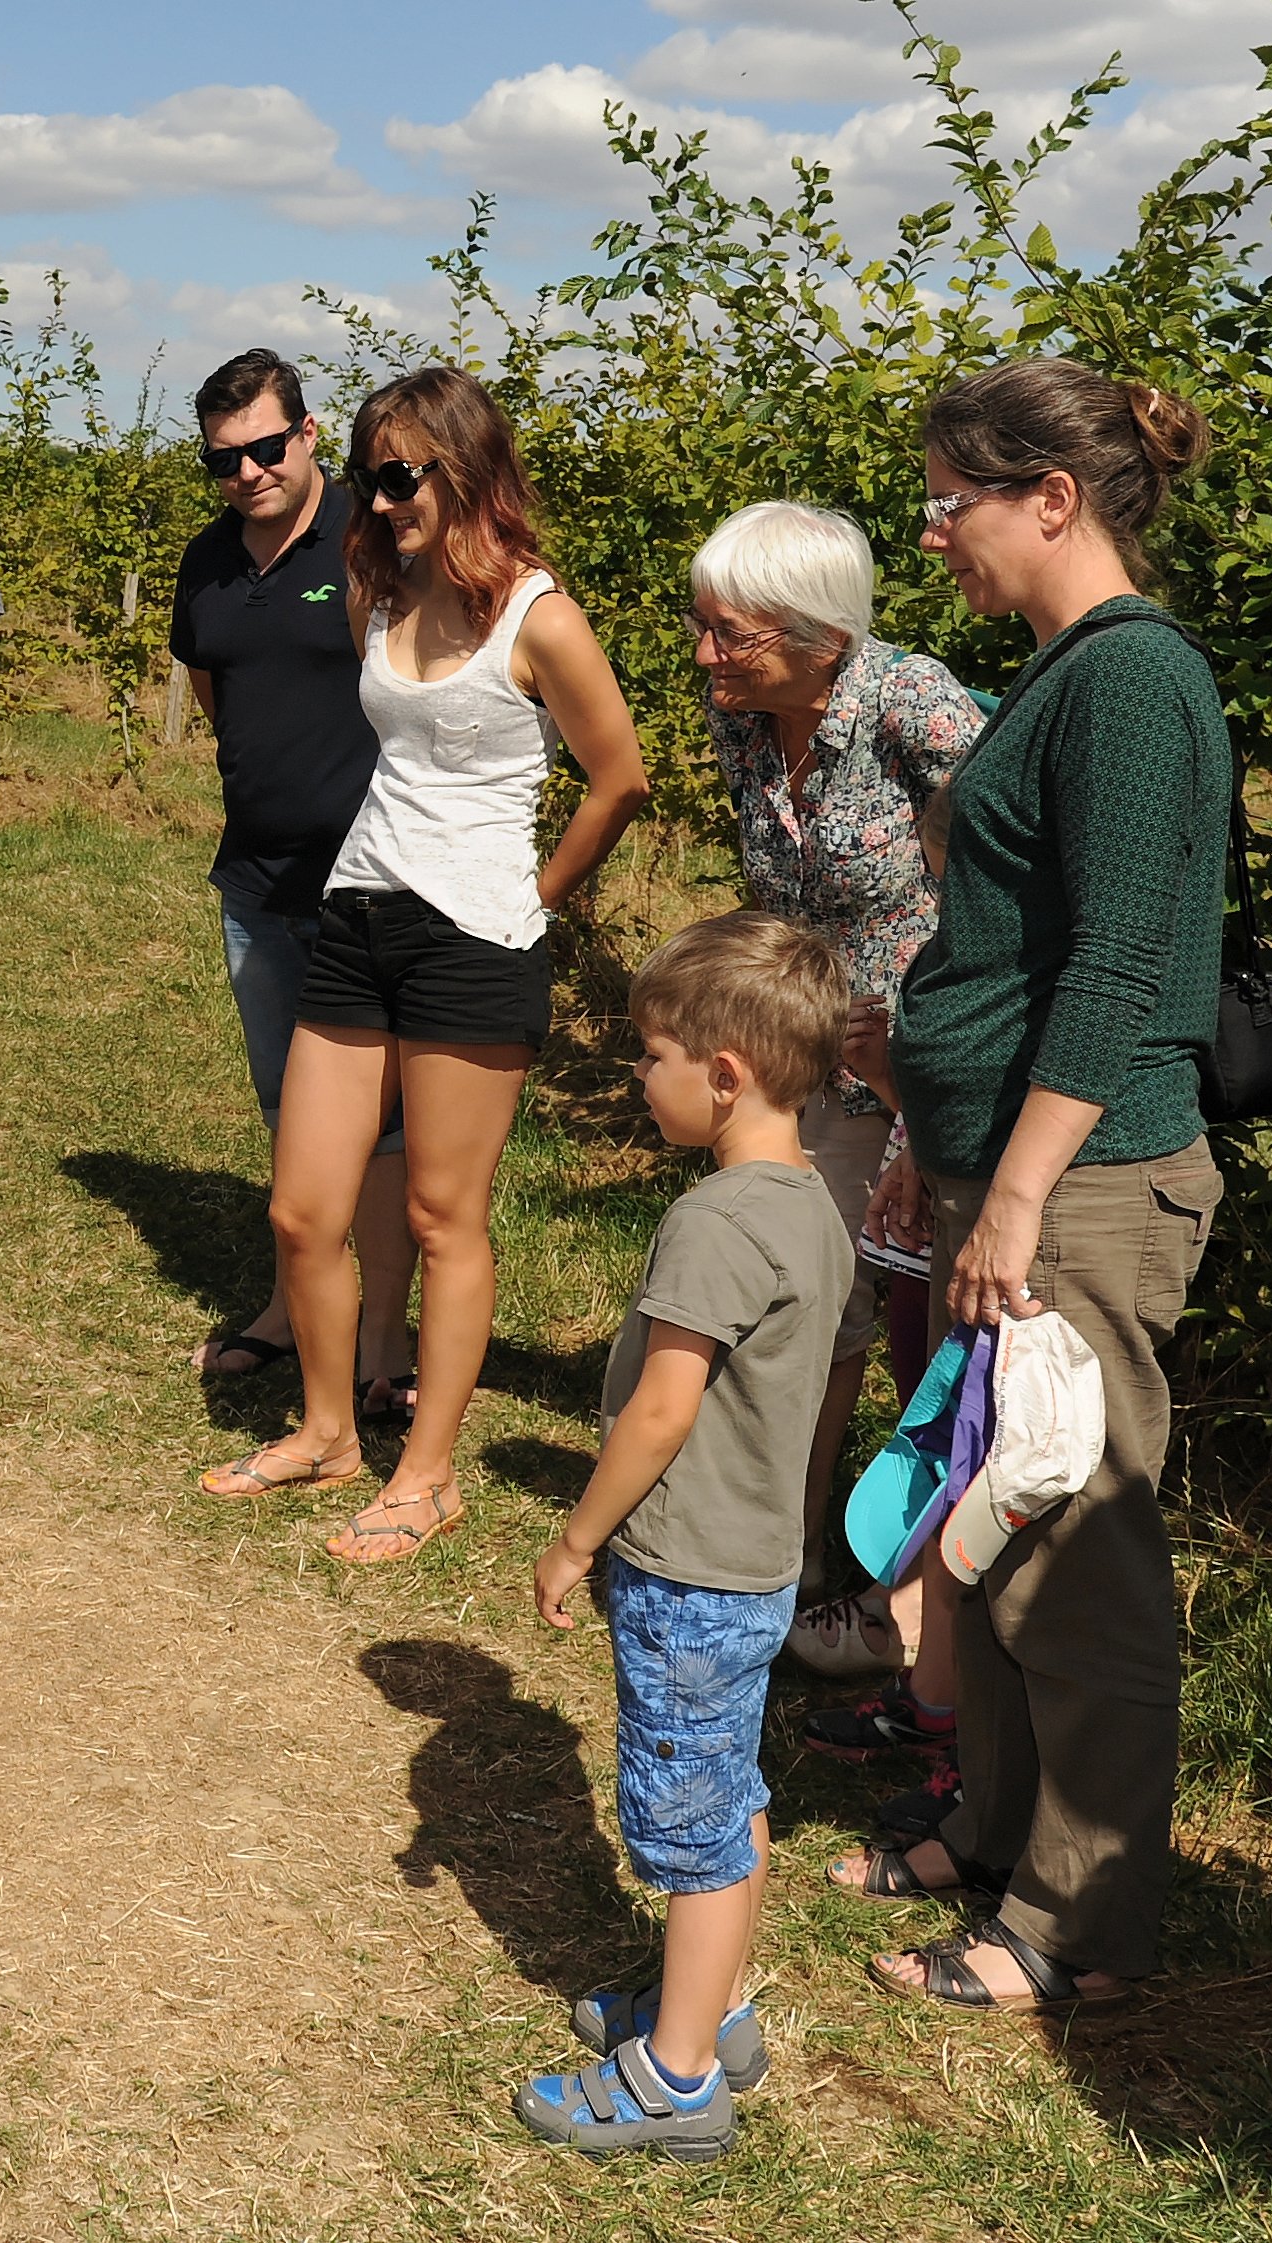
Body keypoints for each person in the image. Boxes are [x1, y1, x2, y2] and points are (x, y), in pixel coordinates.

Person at [836, 357, 1228, 2017]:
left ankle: (1081, 1913)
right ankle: (987, 1830)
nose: (933, 537)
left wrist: (1016, 1194)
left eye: (950, 502)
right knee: (985, 1526)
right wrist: (948, 1151)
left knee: (1077, 1544)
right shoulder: (1062, 675)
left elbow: (1121, 959)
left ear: (1050, 497)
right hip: (1010, 1171)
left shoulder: (1131, 683)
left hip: (1088, 1179)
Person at [197, 366, 651, 1562]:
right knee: (302, 1209)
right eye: (371, 476)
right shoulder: (378, 595)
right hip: (357, 915)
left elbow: (619, 779)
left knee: (445, 1215)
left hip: (472, 939)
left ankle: (428, 1470)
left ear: (464, 469)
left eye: (400, 477)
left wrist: (533, 897)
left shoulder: (537, 616)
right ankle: (330, 1431)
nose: (382, 498)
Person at [513, 912, 855, 2163]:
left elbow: (661, 1406)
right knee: (731, 1794)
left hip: (686, 1569)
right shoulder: (813, 1201)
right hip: (756, 1558)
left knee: (688, 1826)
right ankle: (711, 2010)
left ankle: (677, 2074)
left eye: (649, 1056)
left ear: (724, 1074)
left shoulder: (713, 1223)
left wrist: (573, 1537)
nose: (634, 1077)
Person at [679, 502, 984, 1695]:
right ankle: (784, 1554)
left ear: (818, 631)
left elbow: (1000, 890)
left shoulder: (916, 706)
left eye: (732, 635)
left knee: (884, 1324)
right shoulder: (745, 720)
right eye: (702, 629)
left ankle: (901, 1598)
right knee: (792, 1306)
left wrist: (913, 1064)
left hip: (916, 1073)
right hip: (797, 1060)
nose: (706, 658)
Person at [168, 347, 414, 1412]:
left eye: (268, 447)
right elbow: (216, 688)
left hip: (376, 885)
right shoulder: (205, 561)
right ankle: (286, 1303)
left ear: (308, 435)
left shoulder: (377, 538)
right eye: (225, 461)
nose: (250, 473)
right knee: (288, 1107)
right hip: (258, 884)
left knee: (390, 1127)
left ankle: (382, 1333)